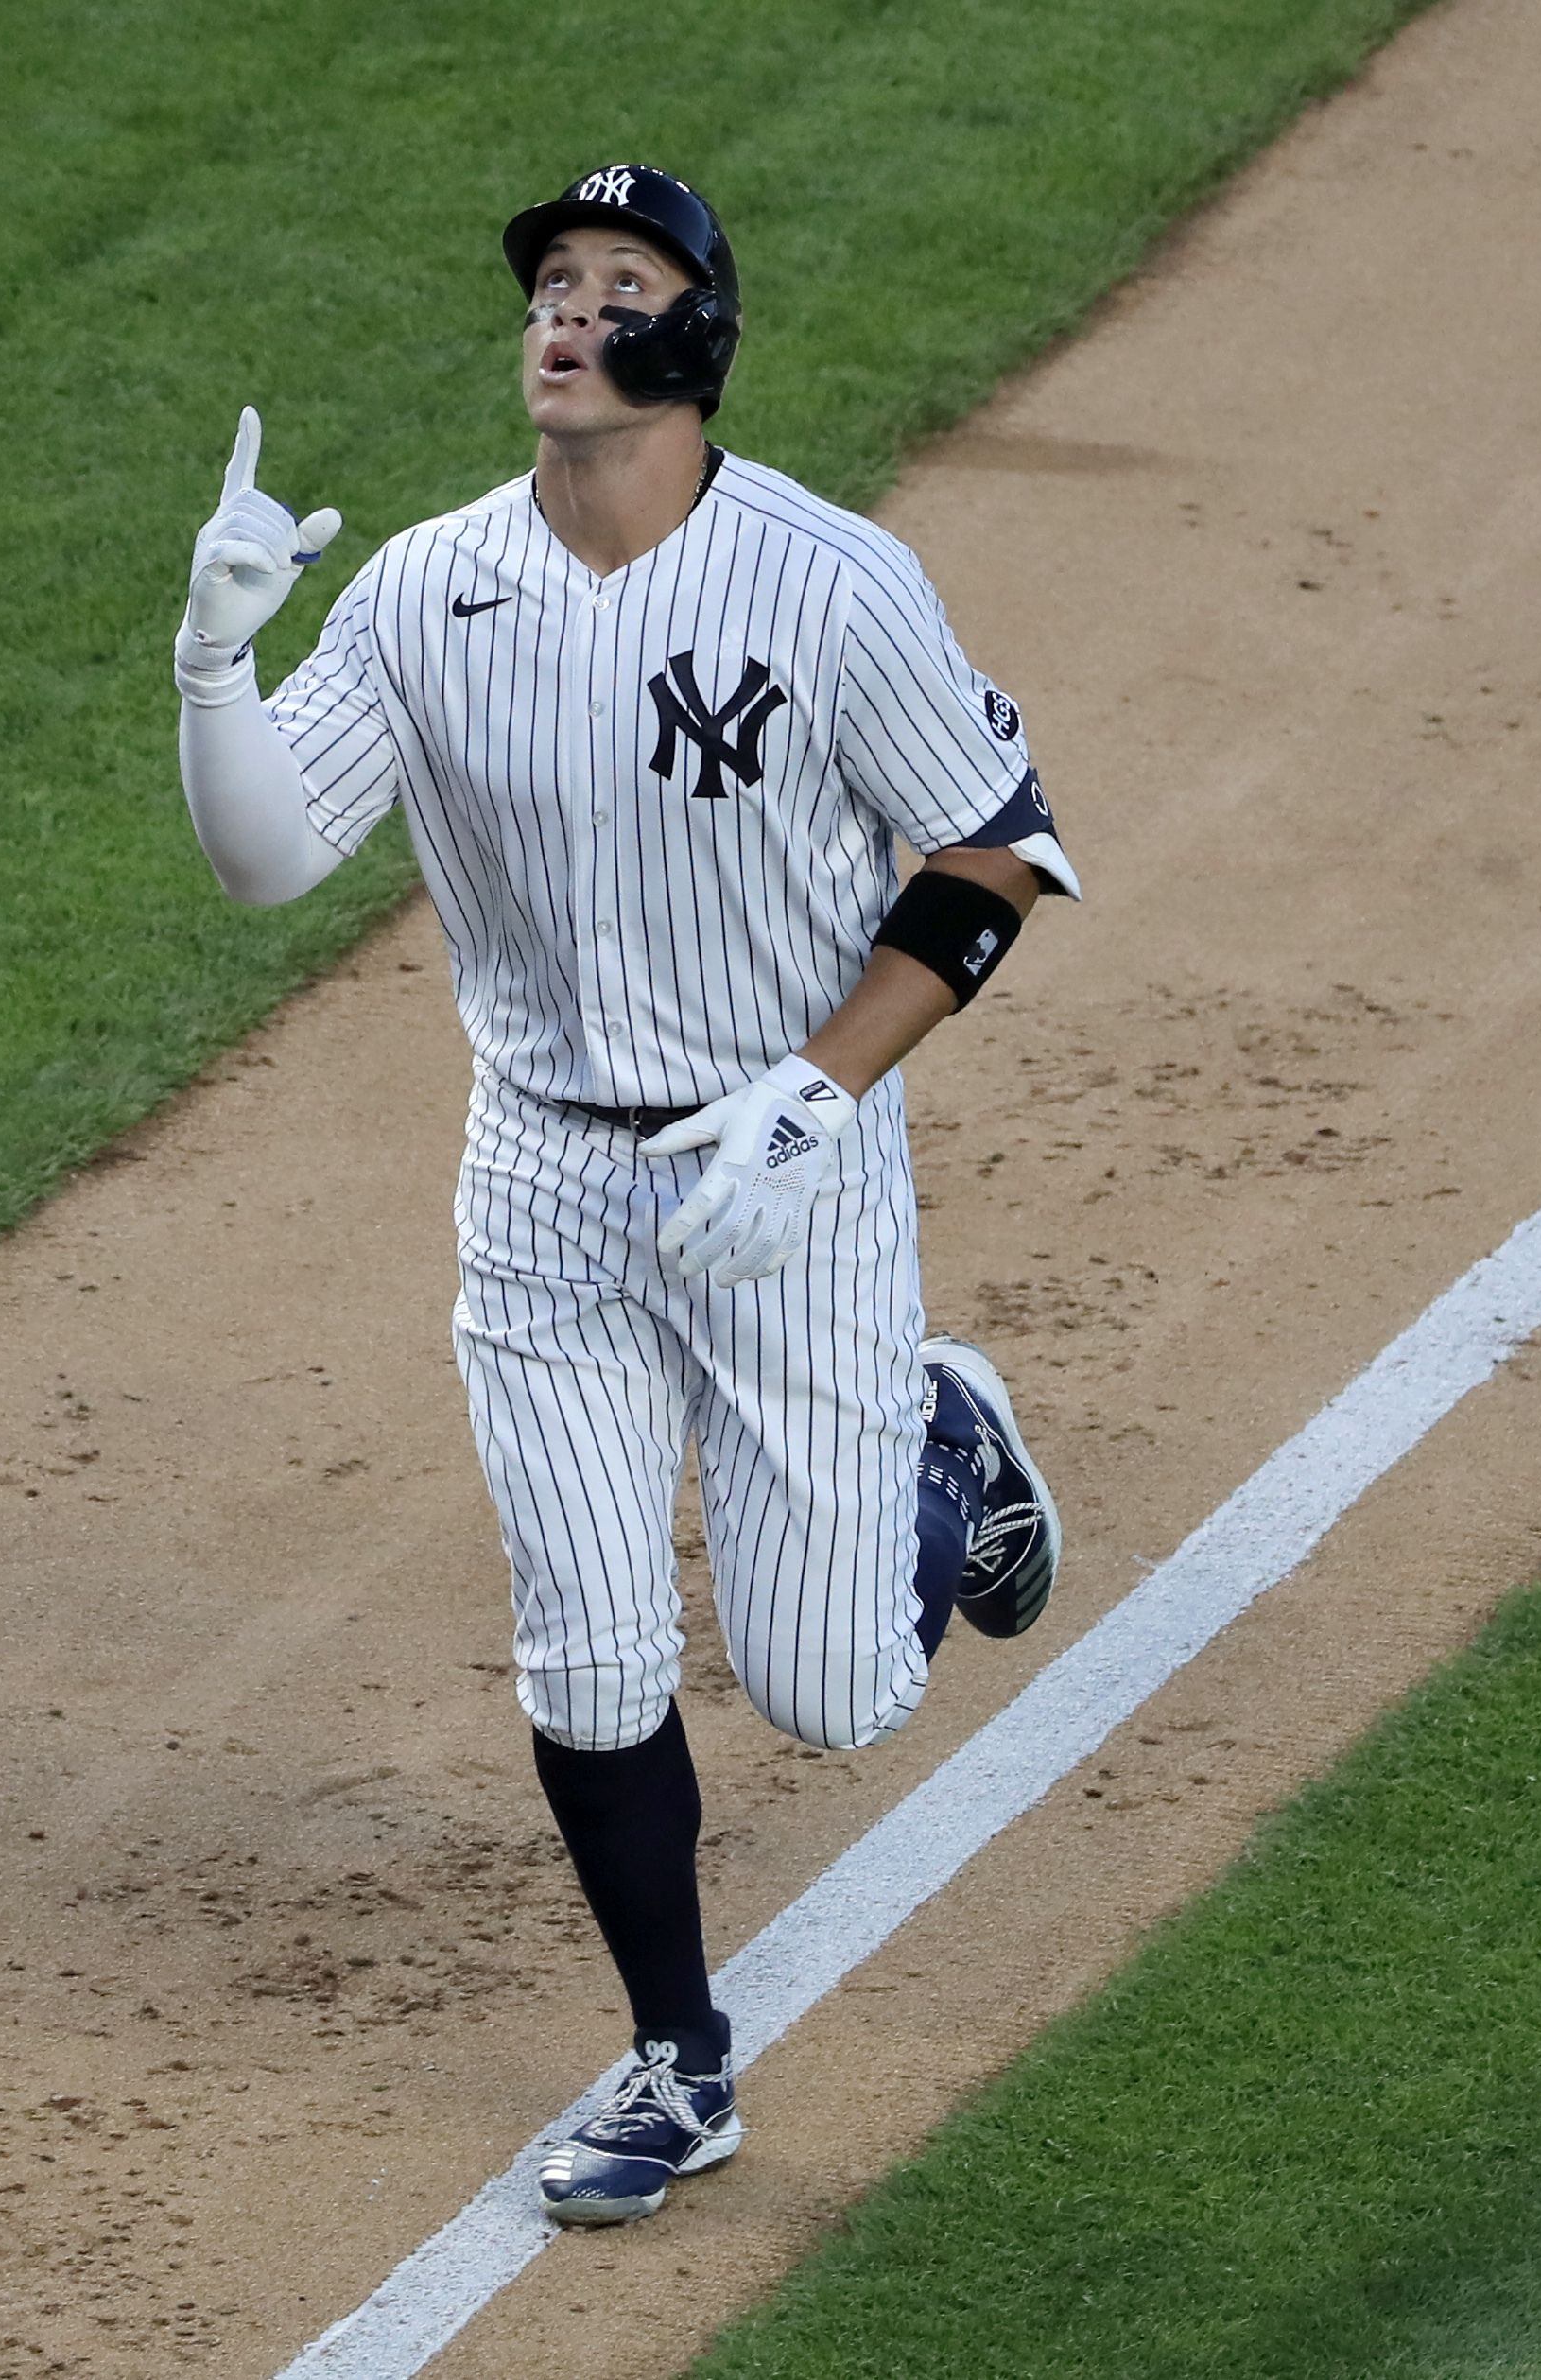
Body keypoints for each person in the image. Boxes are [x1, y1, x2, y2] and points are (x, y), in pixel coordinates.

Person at [167, 163, 1078, 2226]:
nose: (565, 313)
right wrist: (213, 666)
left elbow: (990, 855)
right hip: (544, 1181)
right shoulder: (424, 588)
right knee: (583, 1651)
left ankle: (949, 1428)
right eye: (550, 287)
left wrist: (814, 1097)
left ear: (695, 336)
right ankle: (680, 2057)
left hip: (786, 1170)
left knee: (832, 1692)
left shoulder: (830, 583)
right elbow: (262, 863)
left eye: (614, 284)